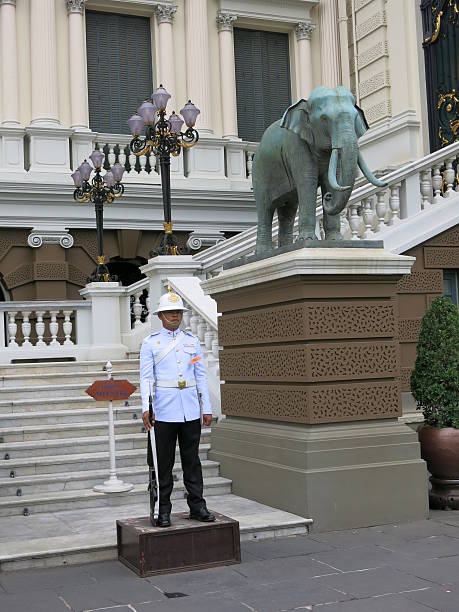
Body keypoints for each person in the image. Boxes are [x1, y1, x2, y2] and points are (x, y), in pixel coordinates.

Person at [139, 290, 215, 528]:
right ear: (160, 316)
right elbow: (146, 378)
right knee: (163, 463)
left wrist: (207, 407)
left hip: (190, 409)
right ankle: (162, 509)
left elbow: (201, 376)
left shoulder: (192, 341)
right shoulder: (151, 343)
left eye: (178, 312)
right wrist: (146, 407)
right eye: (169, 312)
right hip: (164, 410)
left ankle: (197, 505)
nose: (174, 316)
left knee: (192, 460)